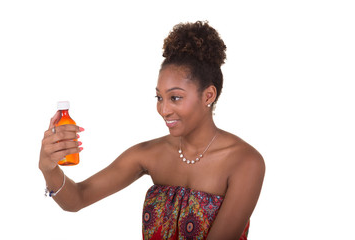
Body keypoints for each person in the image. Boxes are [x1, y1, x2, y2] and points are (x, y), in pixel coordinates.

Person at [39, 21, 265, 240]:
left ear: (208, 95)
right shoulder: (149, 153)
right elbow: (77, 198)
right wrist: (48, 168)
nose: (164, 110)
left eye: (175, 97)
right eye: (159, 97)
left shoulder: (245, 162)